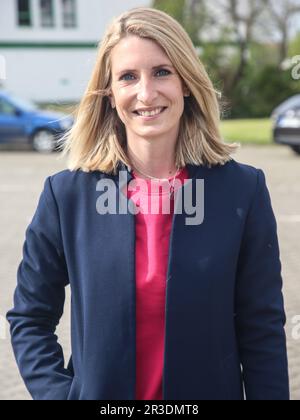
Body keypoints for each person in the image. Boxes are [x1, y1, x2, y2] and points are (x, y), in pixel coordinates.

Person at [7, 7, 289, 400]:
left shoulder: (243, 190)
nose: (146, 93)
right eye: (127, 77)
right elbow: (29, 318)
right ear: (109, 94)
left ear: (186, 82)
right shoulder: (66, 196)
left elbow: (263, 328)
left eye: (162, 72)